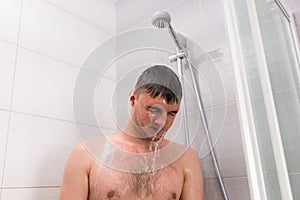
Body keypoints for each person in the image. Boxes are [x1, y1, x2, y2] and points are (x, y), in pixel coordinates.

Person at [59, 65, 204, 200]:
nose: (161, 122)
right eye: (154, 110)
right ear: (133, 99)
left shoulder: (186, 159)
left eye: (171, 113)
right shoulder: (86, 154)